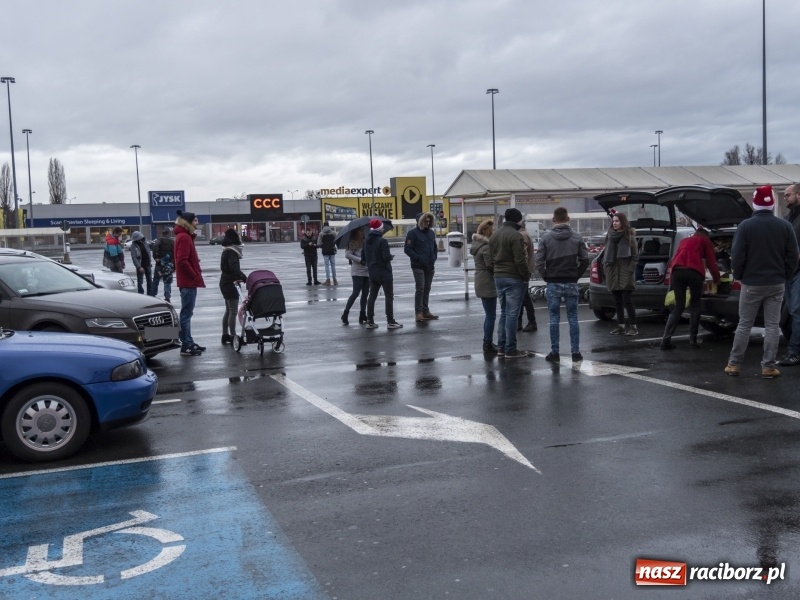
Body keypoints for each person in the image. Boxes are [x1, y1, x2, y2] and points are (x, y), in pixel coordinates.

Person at [724, 186, 798, 378]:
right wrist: (786, 275)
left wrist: (739, 275)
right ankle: (768, 367)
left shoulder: (745, 226)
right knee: (772, 326)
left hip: (751, 283)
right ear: (772, 203)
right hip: (776, 283)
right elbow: (793, 256)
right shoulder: (785, 226)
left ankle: (734, 364)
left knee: (744, 324)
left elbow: (737, 255)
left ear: (755, 203)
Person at [535, 207, 591, 363]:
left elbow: (539, 261)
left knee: (554, 318)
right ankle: (575, 352)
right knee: (573, 317)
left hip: (553, 281)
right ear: (568, 218)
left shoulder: (546, 238)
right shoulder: (577, 237)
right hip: (571, 281)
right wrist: (576, 275)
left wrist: (546, 276)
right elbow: (585, 260)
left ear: (554, 219)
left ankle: (555, 352)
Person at [660, 228, 720, 350]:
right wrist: (716, 279)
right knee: (695, 304)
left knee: (679, 306)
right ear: (705, 236)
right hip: (694, 273)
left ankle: (665, 340)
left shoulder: (684, 241)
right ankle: (692, 341)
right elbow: (711, 262)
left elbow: (676, 258)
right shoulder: (705, 241)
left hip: (677, 272)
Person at [488, 208, 531, 359]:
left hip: (498, 276)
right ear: (518, 220)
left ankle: (501, 347)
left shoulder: (495, 235)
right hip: (513, 277)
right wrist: (526, 276)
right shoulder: (515, 235)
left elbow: (490, 258)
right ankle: (511, 349)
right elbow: (520, 259)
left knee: (505, 312)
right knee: (512, 314)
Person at [174, 210, 206, 356]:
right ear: (188, 222)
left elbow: (183, 259)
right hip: (188, 282)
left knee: (187, 313)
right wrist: (193, 275)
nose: (197, 223)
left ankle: (189, 341)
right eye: (195, 220)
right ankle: (186, 345)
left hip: (187, 281)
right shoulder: (185, 237)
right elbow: (182, 261)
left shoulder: (184, 237)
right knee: (186, 314)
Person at [604, 212, 639, 335]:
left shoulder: (629, 236)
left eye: (617, 221)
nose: (614, 223)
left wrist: (629, 270)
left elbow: (635, 256)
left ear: (623, 222)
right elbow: (605, 254)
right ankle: (621, 325)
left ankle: (633, 327)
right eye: (613, 221)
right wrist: (606, 269)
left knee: (627, 300)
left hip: (625, 272)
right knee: (617, 300)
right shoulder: (609, 235)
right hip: (613, 270)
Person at [364, 218, 402, 329]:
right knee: (389, 297)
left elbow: (364, 257)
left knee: (372, 297)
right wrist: (390, 257)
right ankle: (390, 321)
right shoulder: (382, 241)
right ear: (379, 228)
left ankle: (369, 320)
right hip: (385, 273)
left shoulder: (366, 241)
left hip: (373, 272)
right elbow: (385, 257)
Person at [778, 183, 800, 366]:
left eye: (788, 195)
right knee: (789, 314)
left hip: (798, 271)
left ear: (799, 195)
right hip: (788, 272)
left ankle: (795, 352)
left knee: (796, 311)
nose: (785, 198)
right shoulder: (788, 218)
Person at [404, 211, 439, 322]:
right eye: (425, 221)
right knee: (420, 288)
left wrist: (434, 257)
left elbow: (434, 247)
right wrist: (418, 258)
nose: (427, 223)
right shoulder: (412, 233)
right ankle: (418, 312)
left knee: (427, 288)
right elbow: (407, 249)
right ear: (420, 221)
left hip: (430, 265)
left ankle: (425, 310)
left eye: (429, 221)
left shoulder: (431, 233)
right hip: (418, 265)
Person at [470, 219, 498, 353]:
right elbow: (490, 266)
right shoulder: (486, 247)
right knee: (491, 315)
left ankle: (487, 341)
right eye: (493, 229)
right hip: (487, 281)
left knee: (489, 314)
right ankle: (487, 342)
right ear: (488, 231)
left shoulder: (477, 245)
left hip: (480, 279)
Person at [219, 228, 246, 345]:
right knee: (233, 310)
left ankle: (225, 334)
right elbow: (234, 268)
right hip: (230, 283)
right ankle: (233, 336)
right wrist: (244, 277)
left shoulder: (226, 250)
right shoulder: (231, 252)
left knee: (228, 310)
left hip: (224, 281)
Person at [341, 227, 369, 325]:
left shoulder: (365, 241)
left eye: (363, 231)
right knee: (356, 293)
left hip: (367, 271)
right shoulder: (352, 242)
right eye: (360, 231)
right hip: (357, 271)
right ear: (356, 232)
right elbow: (348, 254)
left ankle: (362, 314)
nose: (362, 232)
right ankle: (345, 313)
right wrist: (359, 260)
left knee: (365, 294)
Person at [517, 225, 538, 333]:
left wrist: (522, 271)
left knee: (524, 297)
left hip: (524, 271)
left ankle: (531, 321)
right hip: (526, 270)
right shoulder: (524, 233)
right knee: (522, 297)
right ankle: (520, 322)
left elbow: (523, 255)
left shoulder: (521, 235)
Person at [151, 227, 174, 303]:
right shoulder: (172, 241)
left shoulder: (159, 240)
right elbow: (175, 252)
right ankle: (167, 297)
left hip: (159, 264)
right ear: (169, 233)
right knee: (167, 282)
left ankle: (153, 295)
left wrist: (156, 257)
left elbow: (154, 247)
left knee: (156, 280)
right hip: (169, 264)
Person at [129, 231, 153, 295]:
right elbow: (134, 257)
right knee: (140, 281)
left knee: (149, 280)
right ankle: (140, 293)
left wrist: (149, 262)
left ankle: (150, 293)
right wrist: (139, 266)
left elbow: (148, 253)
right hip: (140, 265)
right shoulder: (133, 246)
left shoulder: (145, 243)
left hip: (147, 264)